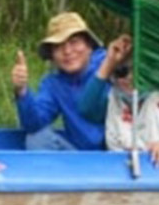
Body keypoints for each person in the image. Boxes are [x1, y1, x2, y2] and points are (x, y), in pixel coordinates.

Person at [78, 34, 159, 167]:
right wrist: (108, 63)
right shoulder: (110, 98)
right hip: (119, 173)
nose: (129, 78)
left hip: (158, 172)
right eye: (122, 72)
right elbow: (85, 109)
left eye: (137, 71)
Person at [11, 11, 108, 150]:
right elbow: (33, 124)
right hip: (80, 158)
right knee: (37, 139)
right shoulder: (53, 84)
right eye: (58, 46)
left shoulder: (109, 63)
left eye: (74, 42)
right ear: (52, 55)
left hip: (122, 154)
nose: (67, 51)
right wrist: (21, 91)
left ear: (89, 46)